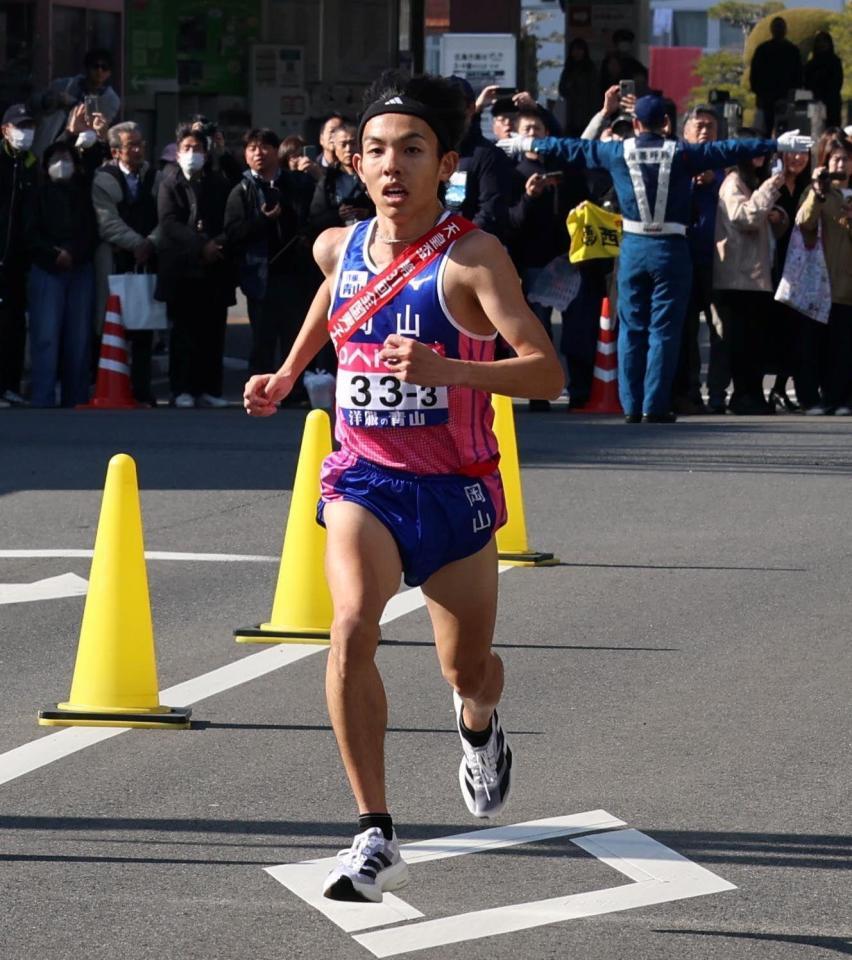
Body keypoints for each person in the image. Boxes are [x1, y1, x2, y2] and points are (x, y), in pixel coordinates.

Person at [243, 72, 564, 903]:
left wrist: (447, 368)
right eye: (376, 151)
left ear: (446, 162)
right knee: (349, 628)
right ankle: (374, 831)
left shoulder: (472, 258)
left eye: (412, 150)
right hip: (364, 481)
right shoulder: (336, 245)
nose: (392, 166)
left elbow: (547, 374)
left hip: (453, 492)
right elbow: (333, 297)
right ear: (358, 164)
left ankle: (481, 727)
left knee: (468, 670)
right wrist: (285, 373)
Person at [497, 94, 813, 422]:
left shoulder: (618, 151)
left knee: (631, 328)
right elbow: (726, 150)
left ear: (635, 124)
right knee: (664, 329)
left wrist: (524, 143)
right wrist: (776, 143)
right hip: (671, 247)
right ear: (666, 123)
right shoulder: (681, 152)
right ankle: (654, 404)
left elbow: (574, 148)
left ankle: (631, 405)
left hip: (633, 246)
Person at [225, 127, 318, 392]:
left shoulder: (296, 183)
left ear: (277, 151)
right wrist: (262, 221)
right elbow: (233, 232)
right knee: (262, 339)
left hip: (293, 273)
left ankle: (294, 390)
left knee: (294, 335)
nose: (259, 153)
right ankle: (260, 392)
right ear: (245, 154)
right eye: (252, 148)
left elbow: (311, 216)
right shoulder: (242, 189)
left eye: (265, 147)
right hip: (259, 275)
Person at [156, 125, 235, 408]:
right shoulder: (168, 183)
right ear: (178, 153)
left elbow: (228, 219)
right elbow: (169, 224)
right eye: (187, 149)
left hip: (213, 270)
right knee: (183, 334)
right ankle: (182, 389)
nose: (192, 154)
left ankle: (210, 389)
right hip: (182, 269)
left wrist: (217, 244)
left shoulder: (217, 182)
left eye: (197, 149)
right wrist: (201, 245)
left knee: (212, 333)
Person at [712, 130, 787, 415]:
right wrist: (770, 188)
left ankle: (753, 394)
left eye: (762, 151)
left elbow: (765, 220)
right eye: (753, 150)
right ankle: (743, 396)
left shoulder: (753, 182)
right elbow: (743, 216)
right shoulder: (733, 181)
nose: (759, 156)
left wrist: (779, 215)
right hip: (737, 276)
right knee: (741, 342)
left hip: (756, 276)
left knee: (756, 341)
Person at [92, 121, 160, 406]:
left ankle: (143, 390)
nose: (138, 149)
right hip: (115, 260)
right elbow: (106, 222)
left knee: (145, 326)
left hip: (148, 261)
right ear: (116, 150)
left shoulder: (155, 177)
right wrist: (136, 243)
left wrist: (152, 242)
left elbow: (166, 215)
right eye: (131, 145)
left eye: (140, 143)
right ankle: (108, 384)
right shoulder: (103, 179)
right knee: (111, 323)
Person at [24, 142, 97, 407]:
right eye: (56, 158)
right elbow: (29, 234)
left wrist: (72, 253)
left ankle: (75, 398)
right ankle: (43, 397)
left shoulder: (83, 193)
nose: (62, 163)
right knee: (46, 337)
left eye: (67, 157)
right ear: (46, 165)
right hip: (47, 270)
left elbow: (91, 231)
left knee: (78, 339)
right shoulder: (37, 195)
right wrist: (54, 254)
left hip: (79, 269)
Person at [672, 104, 724, 415]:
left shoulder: (724, 168)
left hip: (718, 262)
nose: (704, 130)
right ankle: (687, 393)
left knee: (721, 330)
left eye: (710, 126)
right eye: (698, 125)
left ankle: (717, 393)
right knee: (685, 331)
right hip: (682, 259)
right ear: (685, 132)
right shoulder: (677, 164)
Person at [795, 133, 852, 414]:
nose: (841, 164)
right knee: (812, 343)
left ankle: (839, 397)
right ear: (825, 162)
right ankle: (810, 398)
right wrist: (817, 193)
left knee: (843, 345)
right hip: (817, 282)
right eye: (836, 159)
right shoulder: (816, 191)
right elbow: (804, 222)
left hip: (847, 285)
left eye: (846, 159)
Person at [767, 148, 810, 412]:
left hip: (801, 264)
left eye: (803, 153)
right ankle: (763, 388)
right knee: (771, 326)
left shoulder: (808, 186)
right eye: (792, 153)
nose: (798, 158)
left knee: (794, 327)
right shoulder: (772, 182)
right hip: (772, 261)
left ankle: (780, 387)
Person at [445, 76, 514, 242]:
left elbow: (491, 214)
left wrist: (454, 243)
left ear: (470, 109)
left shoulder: (488, 155)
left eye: (454, 107)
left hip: (469, 252)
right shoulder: (431, 152)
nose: (446, 115)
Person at [0, 103, 37, 407]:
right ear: (5, 130)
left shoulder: (30, 163)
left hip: (17, 260)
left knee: (14, 323)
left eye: (29, 127)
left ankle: (10, 385)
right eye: (19, 127)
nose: (24, 133)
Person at [33, 48, 121, 158]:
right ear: (87, 67)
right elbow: (36, 103)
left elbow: (94, 121)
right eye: (95, 66)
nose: (99, 71)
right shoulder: (63, 85)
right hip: (51, 140)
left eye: (104, 67)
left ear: (109, 72)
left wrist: (71, 102)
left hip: (83, 148)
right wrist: (51, 101)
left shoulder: (110, 99)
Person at [309, 120, 374, 234]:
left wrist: (368, 214)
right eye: (343, 145)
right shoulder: (328, 180)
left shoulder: (372, 175)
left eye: (352, 143)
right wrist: (337, 215)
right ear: (335, 147)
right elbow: (316, 219)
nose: (348, 149)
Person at [749, 17, 802, 136]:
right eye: (777, 27)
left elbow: (798, 76)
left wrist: (792, 95)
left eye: (780, 27)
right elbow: (755, 75)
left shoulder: (792, 51)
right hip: (766, 97)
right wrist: (759, 93)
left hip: (785, 97)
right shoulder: (763, 50)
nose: (778, 30)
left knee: (785, 131)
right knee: (764, 131)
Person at [559, 38, 599, 137]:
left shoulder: (590, 68)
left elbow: (595, 91)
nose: (577, 52)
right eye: (574, 50)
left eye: (580, 49)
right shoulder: (568, 69)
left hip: (588, 111)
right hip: (571, 112)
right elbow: (562, 89)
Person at [804, 32, 844, 130]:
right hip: (815, 102)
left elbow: (837, 82)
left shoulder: (835, 62)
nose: (821, 44)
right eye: (819, 42)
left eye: (824, 41)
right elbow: (806, 83)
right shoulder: (810, 65)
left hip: (832, 103)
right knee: (815, 132)